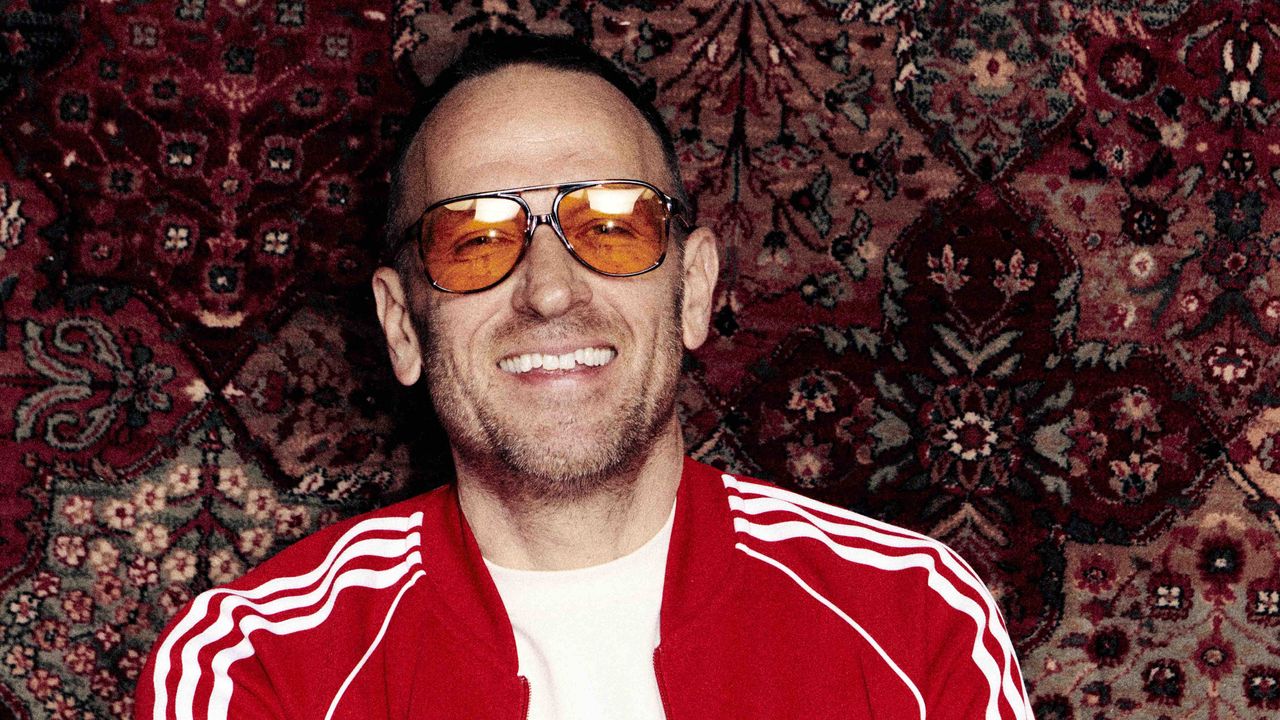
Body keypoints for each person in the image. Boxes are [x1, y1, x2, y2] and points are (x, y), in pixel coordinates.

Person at [136, 34, 1032, 720]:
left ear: (693, 291)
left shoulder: (917, 620)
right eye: (476, 239)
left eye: (611, 226)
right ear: (403, 326)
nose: (550, 291)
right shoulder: (258, 664)